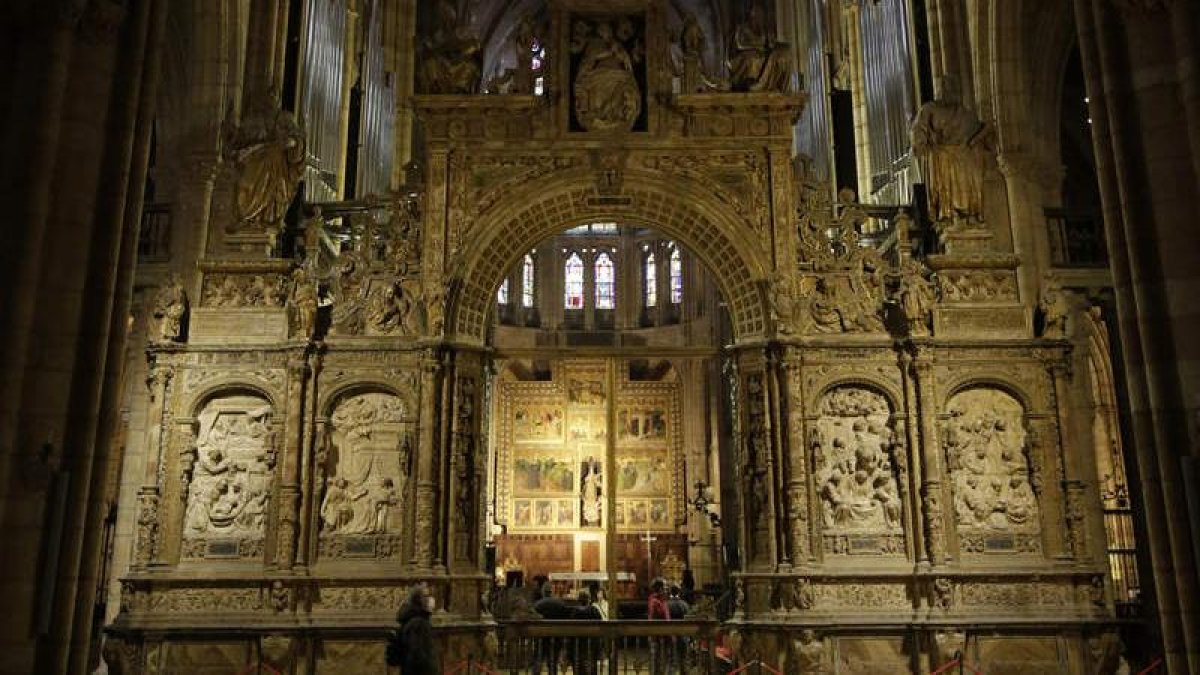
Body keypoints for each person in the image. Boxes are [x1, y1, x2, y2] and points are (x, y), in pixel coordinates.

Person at [392, 584, 438, 675]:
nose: (430, 599)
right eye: (426, 596)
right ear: (418, 599)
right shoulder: (418, 623)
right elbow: (417, 656)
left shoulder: (413, 619)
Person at [532, 584, 572, 675]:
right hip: (556, 636)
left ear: (543, 592)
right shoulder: (559, 603)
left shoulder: (537, 604)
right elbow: (566, 618)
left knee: (538, 660)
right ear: (552, 592)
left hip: (540, 636)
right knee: (553, 661)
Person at [571, 590, 603, 675]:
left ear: (579, 600)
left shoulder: (574, 611)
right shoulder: (594, 610)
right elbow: (600, 624)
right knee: (592, 666)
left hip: (578, 643)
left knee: (578, 666)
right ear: (588, 599)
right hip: (592, 642)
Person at [647, 579, 670, 674]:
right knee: (656, 660)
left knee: (662, 660)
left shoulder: (661, 599)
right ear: (660, 588)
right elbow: (657, 616)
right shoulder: (655, 601)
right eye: (665, 587)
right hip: (658, 635)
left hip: (663, 635)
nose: (666, 589)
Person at [667, 586, 691, 674]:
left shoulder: (667, 604)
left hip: (670, 633)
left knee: (671, 658)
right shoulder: (684, 604)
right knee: (684, 657)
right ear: (679, 592)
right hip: (683, 633)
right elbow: (688, 618)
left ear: (670, 592)